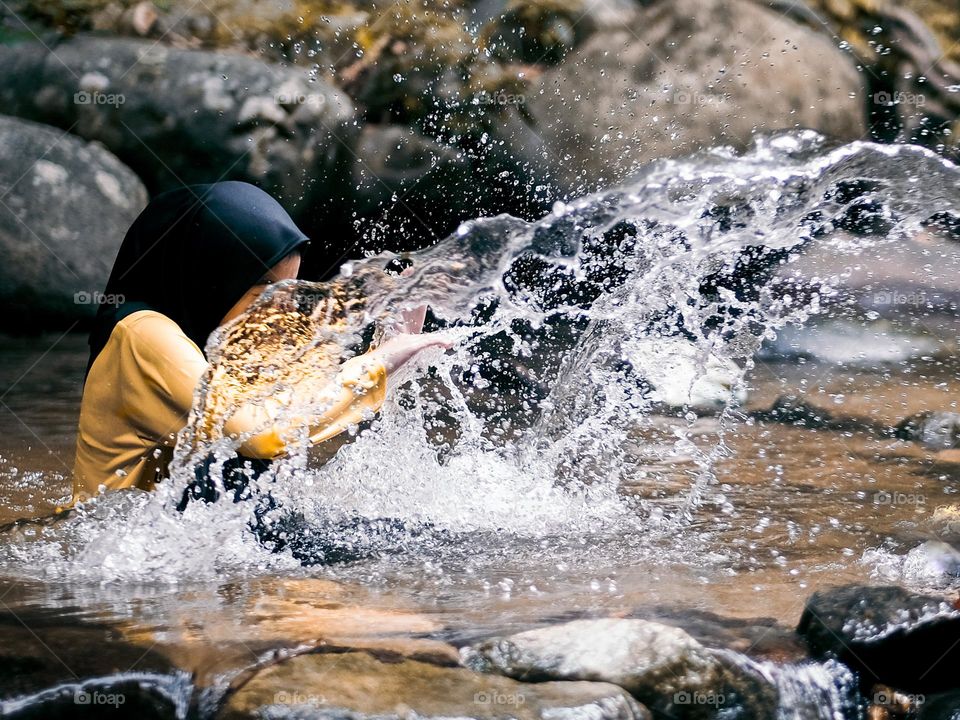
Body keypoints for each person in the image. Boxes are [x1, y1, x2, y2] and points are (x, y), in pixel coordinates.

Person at [71, 181, 446, 510]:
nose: (279, 312)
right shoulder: (142, 334)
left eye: (290, 292)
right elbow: (260, 435)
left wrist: (389, 351)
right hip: (123, 560)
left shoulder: (224, 332)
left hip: (188, 544)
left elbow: (300, 412)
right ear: (211, 279)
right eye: (264, 294)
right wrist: (376, 364)